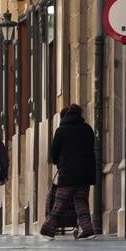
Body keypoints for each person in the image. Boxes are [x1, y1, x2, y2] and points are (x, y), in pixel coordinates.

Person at [41, 103, 98, 240]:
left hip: (67, 174)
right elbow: (92, 149)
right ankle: (88, 229)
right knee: (81, 201)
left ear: (64, 116)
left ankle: (48, 229)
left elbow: (54, 153)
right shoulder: (87, 129)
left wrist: (57, 162)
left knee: (59, 202)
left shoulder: (61, 130)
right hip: (85, 173)